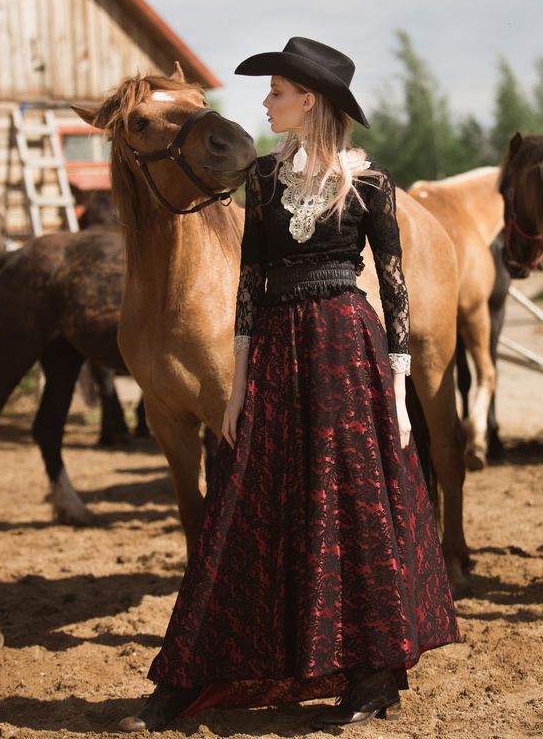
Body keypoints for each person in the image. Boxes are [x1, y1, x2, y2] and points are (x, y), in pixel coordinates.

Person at [118, 37, 460, 733]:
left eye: (275, 91)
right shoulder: (263, 181)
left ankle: (370, 674)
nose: (265, 102)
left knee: (355, 510)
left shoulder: (370, 183)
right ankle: (192, 673)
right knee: (242, 510)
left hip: (346, 349)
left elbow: (394, 294)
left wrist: (396, 390)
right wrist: (241, 385)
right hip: (275, 348)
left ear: (310, 100)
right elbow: (247, 286)